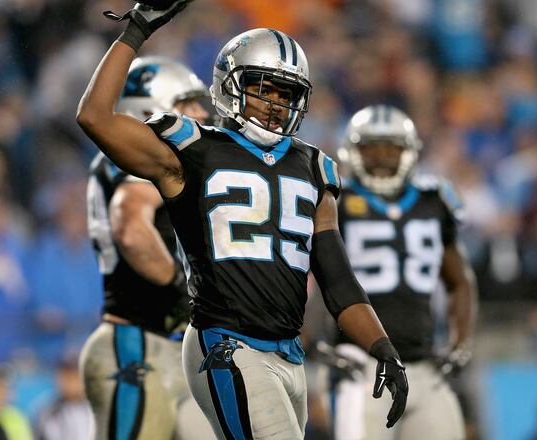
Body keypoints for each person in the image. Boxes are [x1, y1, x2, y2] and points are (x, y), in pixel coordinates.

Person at [76, 2, 409, 438]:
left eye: (286, 95)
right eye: (264, 89)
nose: (275, 104)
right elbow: (95, 117)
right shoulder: (192, 147)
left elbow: (337, 279)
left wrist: (382, 346)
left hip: (289, 355)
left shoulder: (315, 167)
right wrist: (137, 29)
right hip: (226, 343)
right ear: (229, 84)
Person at [79, 55, 214, 440]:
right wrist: (180, 288)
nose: (201, 113)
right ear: (150, 109)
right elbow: (131, 227)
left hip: (168, 346)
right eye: (187, 103)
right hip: (139, 342)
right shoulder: (136, 155)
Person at [332, 105, 477, 440]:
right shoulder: (336, 200)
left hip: (424, 363)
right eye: (371, 149)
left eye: (391, 149)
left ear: (410, 153)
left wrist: (459, 343)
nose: (381, 158)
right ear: (353, 152)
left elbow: (460, 282)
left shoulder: (434, 200)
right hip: (362, 363)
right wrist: (312, 341)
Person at [35, 358, 92, 440]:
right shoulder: (47, 412)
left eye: (75, 377)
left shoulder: (96, 410)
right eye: (67, 378)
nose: (72, 384)